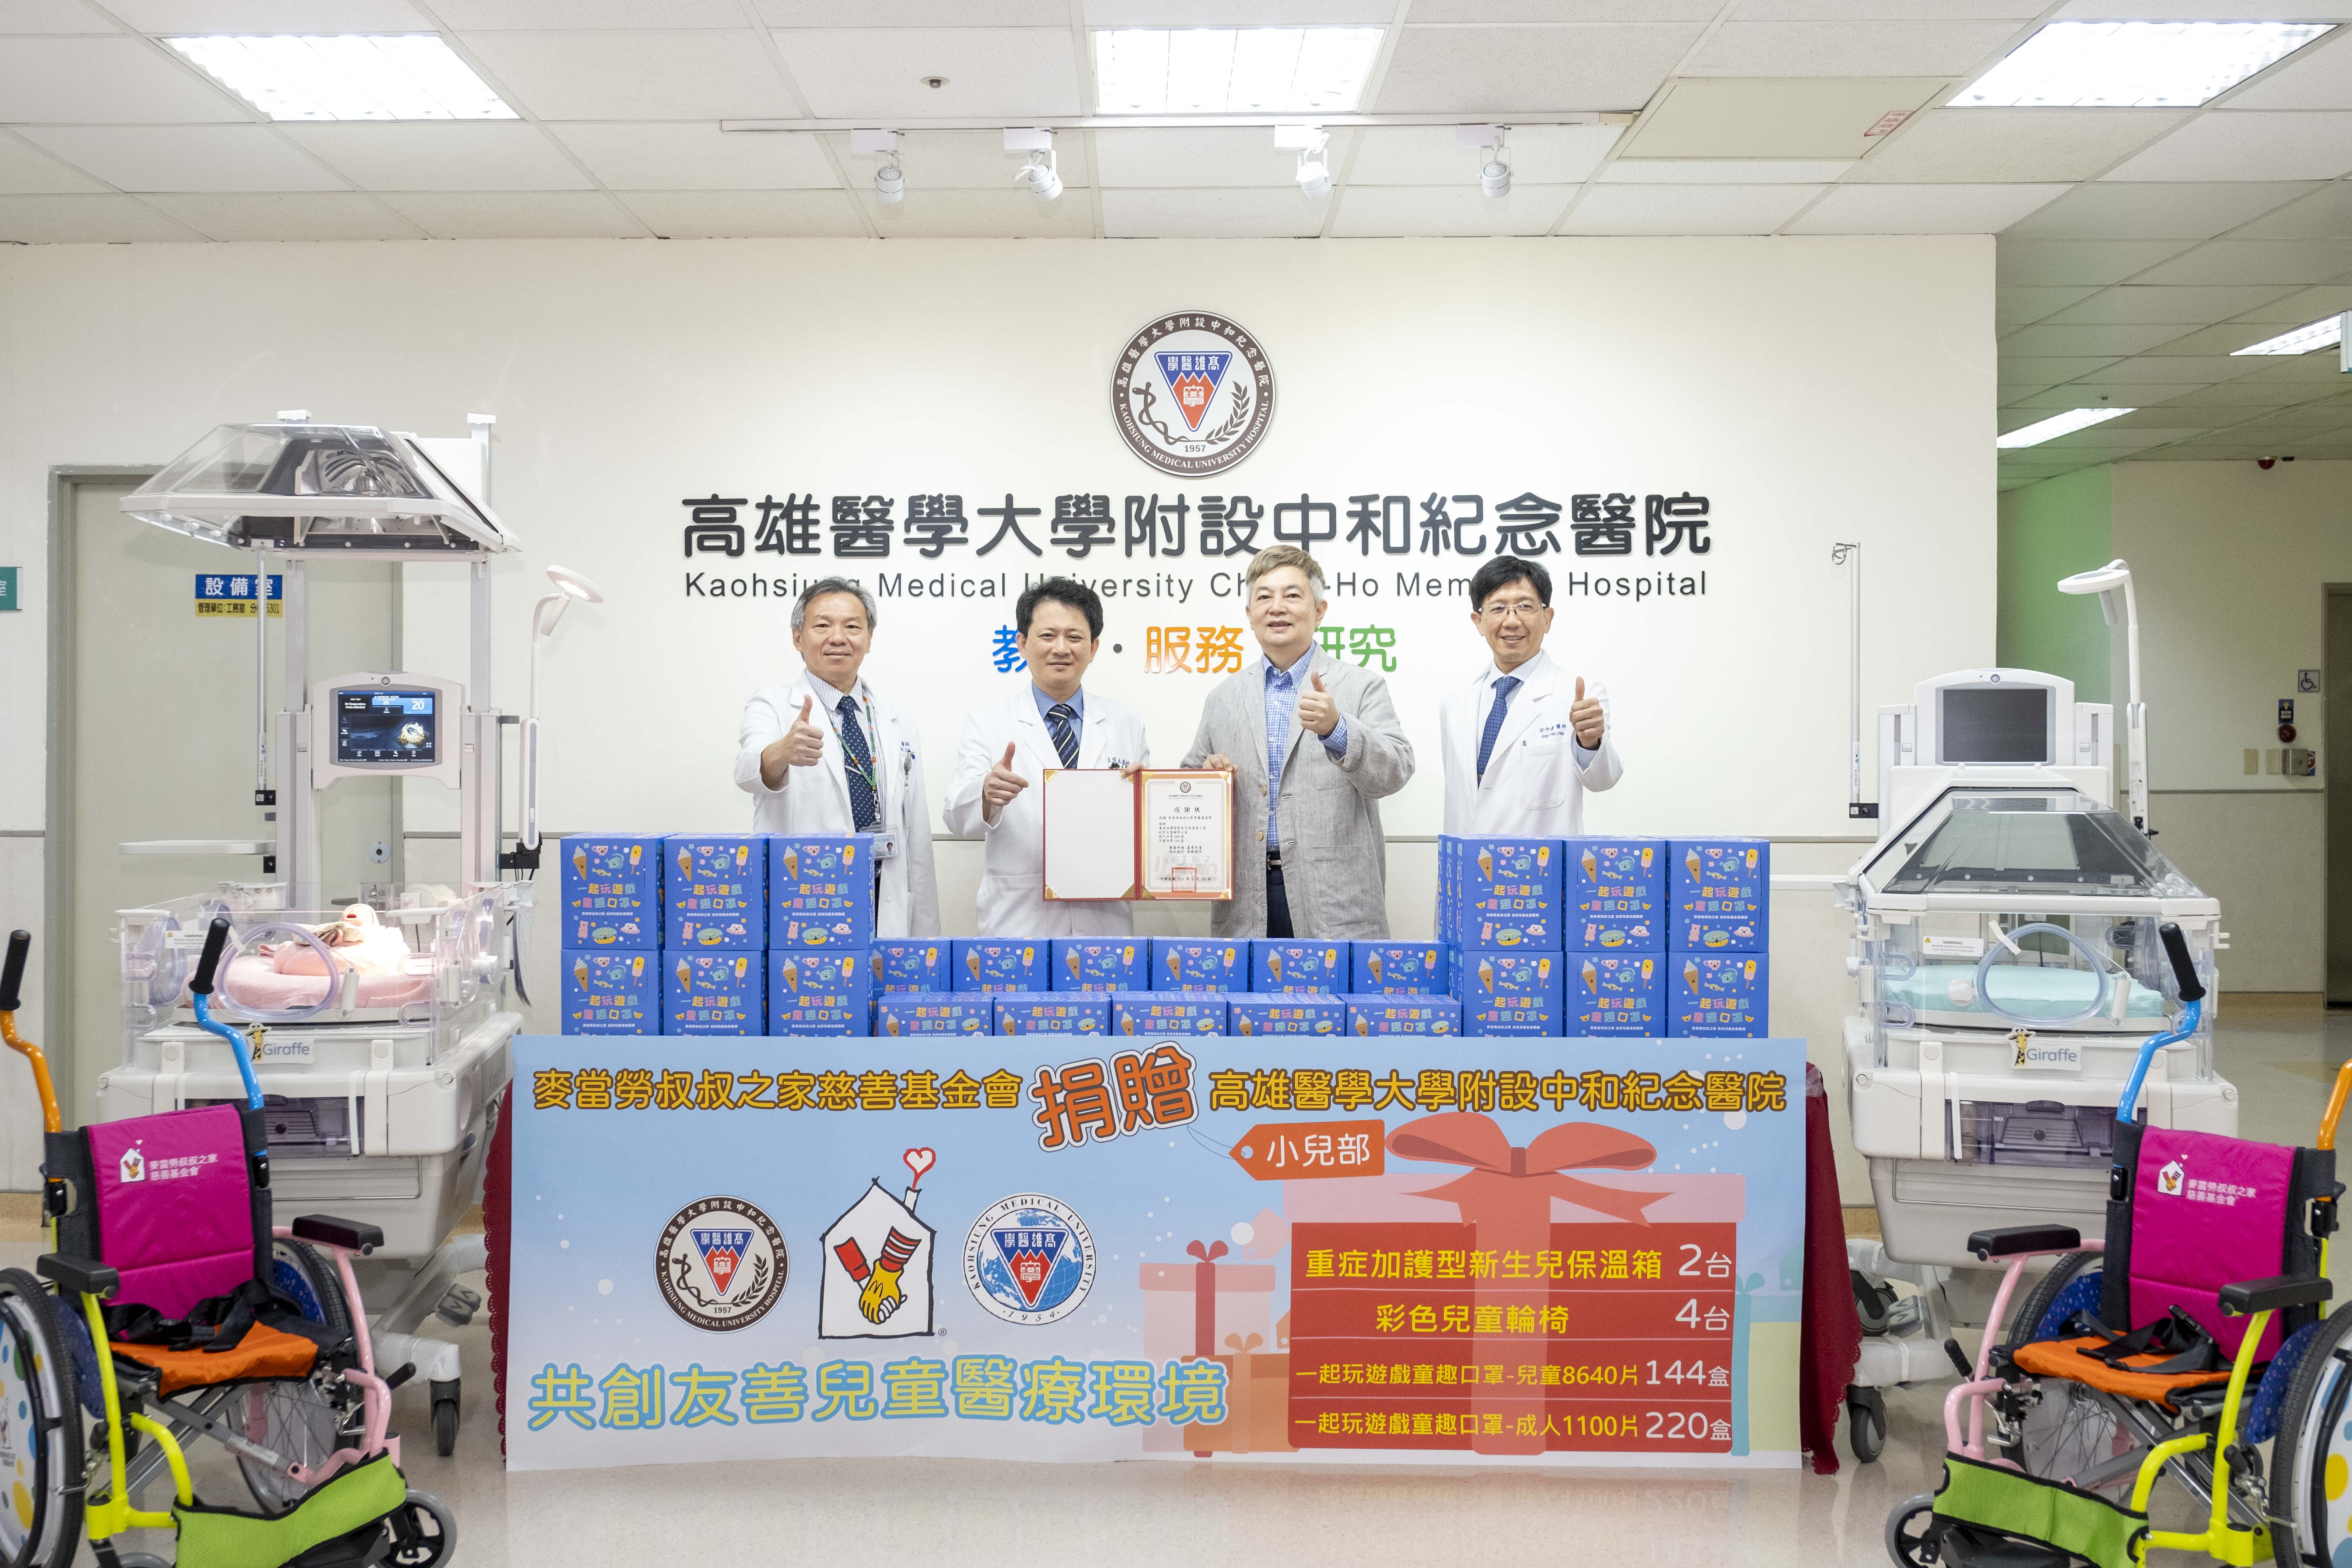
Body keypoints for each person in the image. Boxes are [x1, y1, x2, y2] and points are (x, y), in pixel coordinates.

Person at [1182, 544, 1413, 940]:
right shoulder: (1223, 698)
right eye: (1264, 597)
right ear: (1249, 614)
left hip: (1333, 896)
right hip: (1246, 897)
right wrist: (1207, 778)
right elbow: (1188, 786)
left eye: (1292, 595)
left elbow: (1395, 770)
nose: (1277, 607)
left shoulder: (1361, 685)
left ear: (1319, 610)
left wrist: (1338, 729)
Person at [942, 578, 1150, 937]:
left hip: (1103, 921)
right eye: (1048, 635)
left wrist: (1144, 801)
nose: (1061, 648)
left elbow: (1145, 835)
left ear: (1094, 647)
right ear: (1022, 644)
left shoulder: (1126, 723)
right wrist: (987, 794)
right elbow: (957, 818)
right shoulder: (988, 723)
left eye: (1074, 637)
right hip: (1020, 921)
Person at [734, 577, 941, 937]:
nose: (838, 638)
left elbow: (917, 833)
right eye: (822, 626)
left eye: (852, 627)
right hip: (807, 895)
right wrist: (783, 751)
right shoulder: (772, 705)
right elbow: (748, 770)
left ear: (869, 639)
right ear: (798, 638)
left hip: (884, 894)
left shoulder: (897, 719)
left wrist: (926, 937)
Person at [1439, 554, 1621, 837]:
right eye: (1498, 608)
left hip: (1540, 862)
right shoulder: (1456, 699)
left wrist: (1591, 743)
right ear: (1479, 622)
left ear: (1547, 618)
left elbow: (1602, 781)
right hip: (1467, 859)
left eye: (1525, 606)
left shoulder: (1578, 694)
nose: (1512, 621)